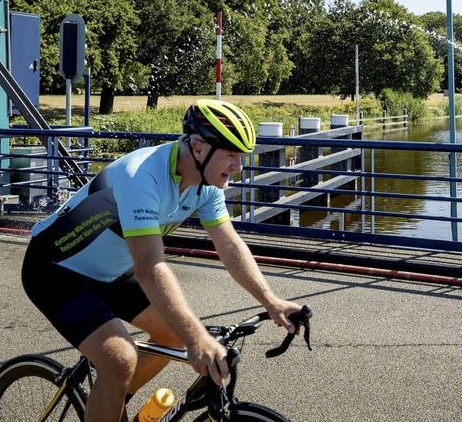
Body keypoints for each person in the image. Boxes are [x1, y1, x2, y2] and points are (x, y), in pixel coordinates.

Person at [21, 99, 302, 422]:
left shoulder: (205, 184)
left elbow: (230, 246)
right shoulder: (141, 178)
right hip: (57, 269)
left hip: (109, 272)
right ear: (198, 148)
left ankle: (111, 400)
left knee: (170, 334)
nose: (238, 166)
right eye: (231, 154)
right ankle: (113, 387)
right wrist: (197, 339)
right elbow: (150, 268)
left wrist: (271, 301)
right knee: (121, 360)